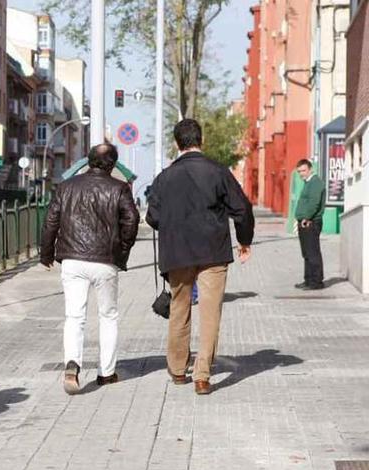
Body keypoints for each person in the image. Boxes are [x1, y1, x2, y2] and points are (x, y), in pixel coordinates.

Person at [146, 118, 255, 395]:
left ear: (176, 143)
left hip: (177, 253)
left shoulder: (164, 177)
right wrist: (244, 241)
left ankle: (179, 370)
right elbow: (241, 208)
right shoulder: (218, 172)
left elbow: (153, 217)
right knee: (210, 313)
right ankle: (203, 376)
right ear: (201, 141)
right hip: (213, 252)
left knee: (179, 309)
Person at [40, 143, 140, 394]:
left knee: (74, 316)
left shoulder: (66, 187)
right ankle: (106, 373)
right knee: (108, 316)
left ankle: (72, 364)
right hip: (105, 261)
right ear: (113, 164)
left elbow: (51, 220)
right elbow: (132, 219)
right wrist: (122, 250)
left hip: (72, 259)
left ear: (89, 161)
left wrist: (46, 253)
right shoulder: (119, 189)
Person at [294, 159, 325, 290]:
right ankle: (308, 279)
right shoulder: (308, 183)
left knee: (312, 253)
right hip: (304, 222)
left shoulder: (315, 183)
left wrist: (306, 218)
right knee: (306, 253)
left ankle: (316, 281)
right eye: (299, 171)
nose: (301, 174)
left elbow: (314, 203)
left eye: (304, 170)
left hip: (311, 222)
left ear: (310, 169)